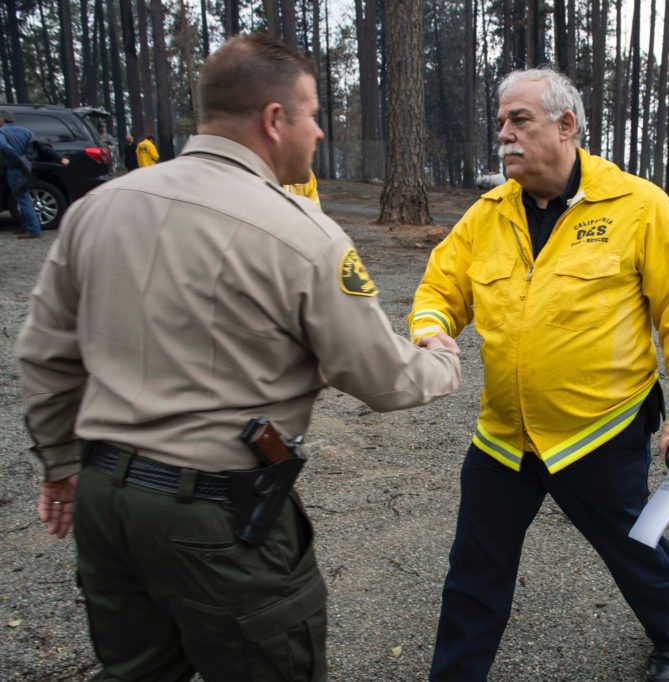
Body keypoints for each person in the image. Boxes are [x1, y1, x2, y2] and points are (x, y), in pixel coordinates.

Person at [16, 34, 461, 681]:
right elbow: (382, 378)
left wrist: (59, 464)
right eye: (311, 114)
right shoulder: (301, 235)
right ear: (274, 120)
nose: (317, 132)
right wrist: (441, 357)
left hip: (105, 501)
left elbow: (44, 355)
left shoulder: (97, 209)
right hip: (214, 514)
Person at [410, 67, 669, 682]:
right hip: (503, 439)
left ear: (566, 125)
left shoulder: (638, 207)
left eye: (519, 121)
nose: (504, 135)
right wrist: (430, 326)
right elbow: (440, 287)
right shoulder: (487, 214)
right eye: (500, 122)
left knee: (637, 549)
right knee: (475, 569)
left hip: (599, 434)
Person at [0, 110, 69, 239]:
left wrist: (17, 156)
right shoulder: (27, 132)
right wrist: (59, 158)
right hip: (28, 169)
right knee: (23, 197)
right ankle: (26, 227)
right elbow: (41, 145)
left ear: (2, 120)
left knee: (22, 199)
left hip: (14, 169)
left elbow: (3, 145)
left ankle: (33, 229)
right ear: (12, 120)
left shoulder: (2, 132)